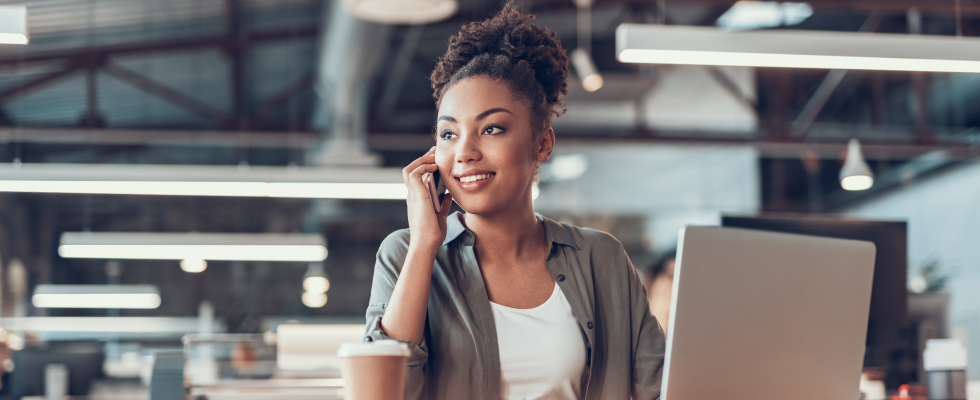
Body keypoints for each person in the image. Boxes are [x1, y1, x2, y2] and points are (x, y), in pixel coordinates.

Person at [364, 3, 665, 399]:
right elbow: (384, 393)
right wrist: (423, 246)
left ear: (542, 142)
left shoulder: (601, 258)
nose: (464, 152)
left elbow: (660, 388)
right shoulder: (403, 254)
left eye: (491, 128)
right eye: (448, 134)